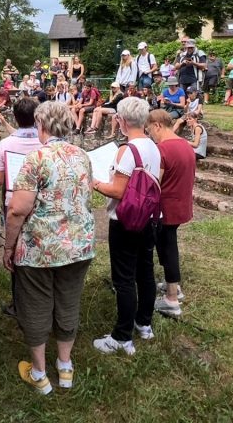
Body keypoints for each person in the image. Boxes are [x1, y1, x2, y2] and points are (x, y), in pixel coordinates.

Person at [4, 101, 95, 395]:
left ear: (41, 125)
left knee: (35, 306)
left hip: (39, 248)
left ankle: (40, 373)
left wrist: (8, 248)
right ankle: (65, 367)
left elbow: (18, 210)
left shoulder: (36, 159)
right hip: (78, 247)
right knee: (69, 301)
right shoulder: (82, 156)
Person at [91, 98, 161, 355]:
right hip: (148, 218)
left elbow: (118, 190)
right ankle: (144, 323)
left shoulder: (127, 150)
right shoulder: (153, 146)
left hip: (125, 220)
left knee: (123, 278)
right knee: (145, 271)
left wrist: (95, 182)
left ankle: (122, 336)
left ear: (121, 120)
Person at [146, 110, 194, 318]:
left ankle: (172, 298)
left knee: (167, 247)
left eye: (149, 130)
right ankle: (170, 283)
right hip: (181, 203)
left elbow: (155, 183)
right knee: (167, 245)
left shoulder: (162, 150)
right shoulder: (184, 144)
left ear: (157, 125)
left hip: (165, 208)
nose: (150, 135)